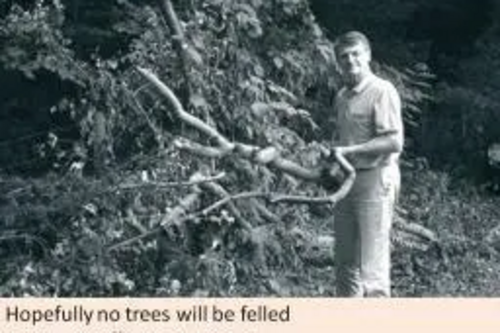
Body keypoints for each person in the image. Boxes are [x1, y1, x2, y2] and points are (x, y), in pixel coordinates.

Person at [331, 31, 404, 297]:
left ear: (368, 55)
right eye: (343, 56)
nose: (350, 60)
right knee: (345, 262)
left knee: (372, 266)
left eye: (355, 54)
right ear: (338, 62)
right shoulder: (342, 96)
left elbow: (394, 142)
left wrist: (349, 150)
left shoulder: (382, 91)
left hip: (376, 178)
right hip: (347, 182)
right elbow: (344, 138)